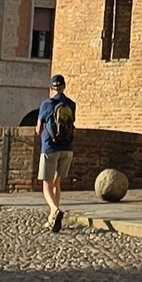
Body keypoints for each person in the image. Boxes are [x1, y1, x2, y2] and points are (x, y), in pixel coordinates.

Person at [36, 73, 79, 232]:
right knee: (57, 182)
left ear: (50, 88)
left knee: (46, 184)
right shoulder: (71, 104)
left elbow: (38, 129)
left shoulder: (46, 104)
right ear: (64, 87)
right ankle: (51, 220)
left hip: (50, 148)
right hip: (67, 148)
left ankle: (54, 210)